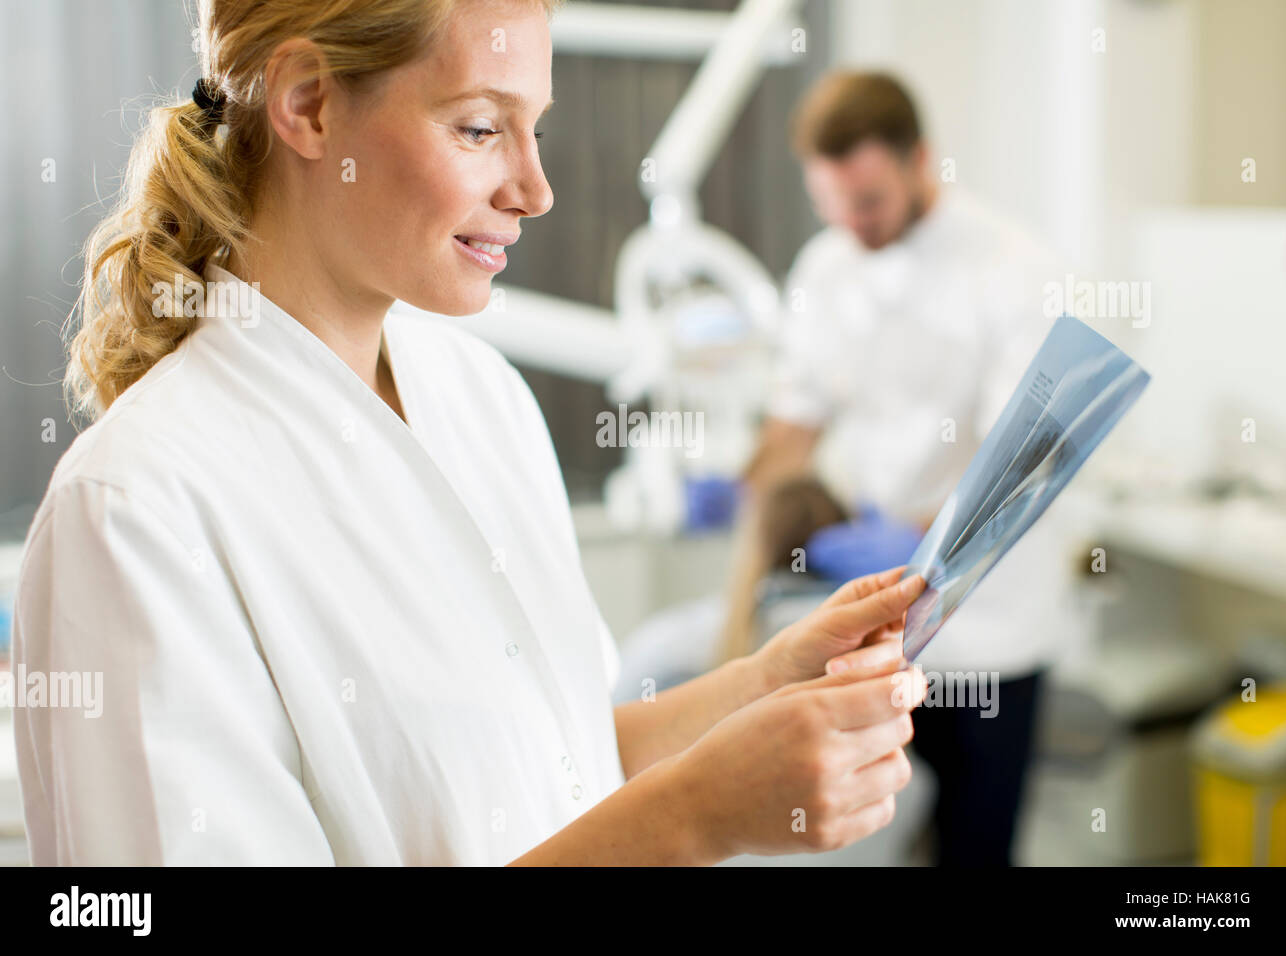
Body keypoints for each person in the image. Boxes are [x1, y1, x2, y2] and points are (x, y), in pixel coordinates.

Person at [11, 0, 930, 866]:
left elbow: (554, 764)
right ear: (309, 104)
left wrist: (765, 681)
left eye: (537, 129)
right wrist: (690, 819)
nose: (536, 190)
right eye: (481, 129)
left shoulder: (480, 395)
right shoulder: (136, 513)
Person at [741, 71, 1084, 865]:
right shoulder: (826, 268)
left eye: (869, 203)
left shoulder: (1014, 269)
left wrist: (907, 538)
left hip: (991, 622)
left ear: (920, 159)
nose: (852, 227)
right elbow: (796, 416)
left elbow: (1022, 465)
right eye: (833, 206)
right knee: (867, 833)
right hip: (882, 621)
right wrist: (741, 492)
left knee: (973, 845)